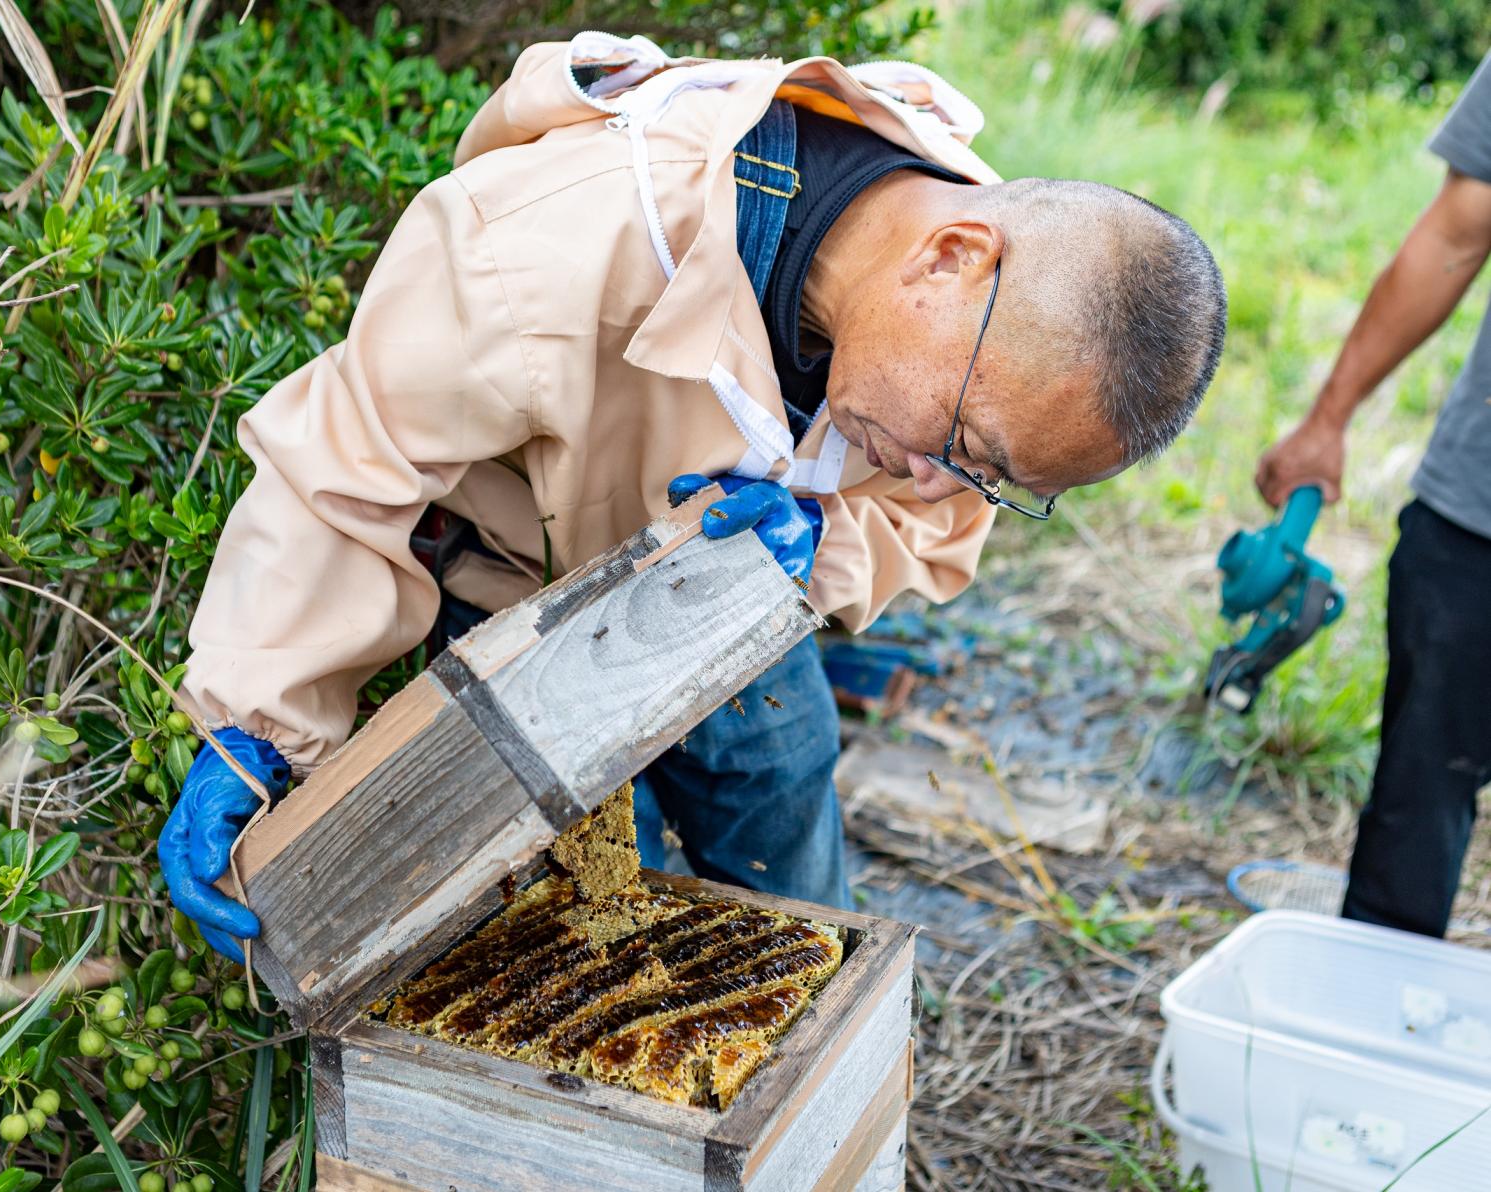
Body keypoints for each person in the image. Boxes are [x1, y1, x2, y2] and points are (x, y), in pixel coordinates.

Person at [158, 34, 1228, 961]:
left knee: (787, 829)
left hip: (745, 608)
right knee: (541, 929)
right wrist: (254, 725)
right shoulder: (552, 242)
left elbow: (929, 522)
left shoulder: (1002, 324)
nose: (943, 481)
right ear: (946, 261)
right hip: (508, 596)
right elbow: (346, 461)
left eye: (994, 476)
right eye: (964, 445)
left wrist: (819, 536)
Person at [1256, 51, 1491, 940]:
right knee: (1413, 816)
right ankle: (1363, 1059)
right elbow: (1455, 232)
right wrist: (1327, 417)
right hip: (1478, 519)